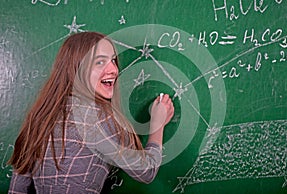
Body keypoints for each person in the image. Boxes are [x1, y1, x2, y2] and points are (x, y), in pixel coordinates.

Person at [8, 32, 174, 193]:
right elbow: (146, 171)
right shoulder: (95, 117)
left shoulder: (41, 115)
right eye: (100, 62)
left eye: (113, 61)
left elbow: (17, 189)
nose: (114, 69)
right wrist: (157, 125)